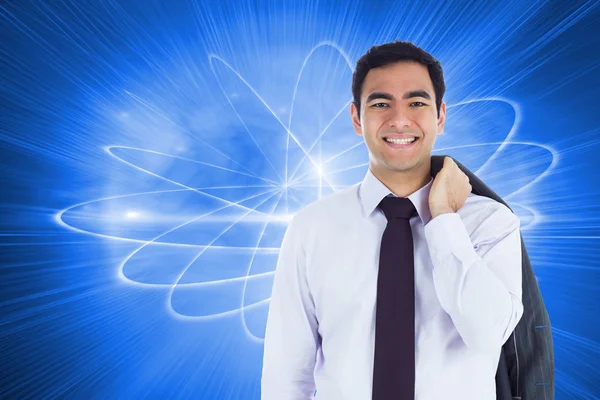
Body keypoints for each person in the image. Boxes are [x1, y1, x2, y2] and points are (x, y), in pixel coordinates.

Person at [261, 41, 524, 400]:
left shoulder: (490, 223)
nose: (399, 119)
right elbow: (286, 374)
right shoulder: (312, 228)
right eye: (381, 103)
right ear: (356, 118)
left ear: (441, 116)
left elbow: (488, 334)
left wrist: (444, 219)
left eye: (417, 103)